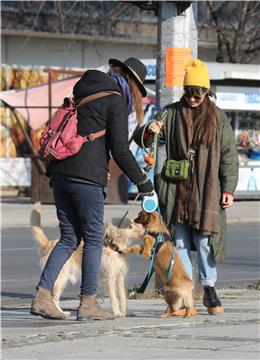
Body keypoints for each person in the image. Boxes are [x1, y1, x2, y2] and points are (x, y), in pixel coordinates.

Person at [30, 57, 153, 321]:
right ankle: (88, 302)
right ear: (132, 83)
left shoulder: (82, 90)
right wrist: (143, 181)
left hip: (60, 174)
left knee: (69, 238)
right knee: (94, 238)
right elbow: (120, 149)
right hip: (86, 179)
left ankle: (43, 295)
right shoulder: (116, 99)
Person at [134, 59, 238, 315]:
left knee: (204, 241)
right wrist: (150, 129)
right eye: (189, 91)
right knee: (179, 242)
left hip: (208, 189)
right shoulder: (169, 113)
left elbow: (229, 155)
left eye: (198, 92)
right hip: (175, 190)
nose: (193, 97)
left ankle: (209, 288)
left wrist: (228, 188)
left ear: (206, 91)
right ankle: (186, 290)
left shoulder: (219, 118)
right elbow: (142, 138)